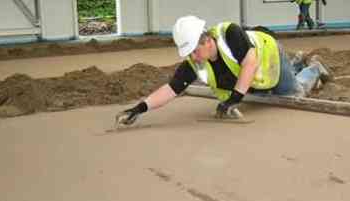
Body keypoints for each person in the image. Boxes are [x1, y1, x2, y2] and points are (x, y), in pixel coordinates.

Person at [116, 15, 332, 125]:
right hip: (255, 78)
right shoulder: (196, 61)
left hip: (269, 58)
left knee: (294, 93)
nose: (192, 57)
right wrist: (139, 109)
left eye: (194, 50)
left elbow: (250, 63)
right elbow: (172, 89)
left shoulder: (230, 33)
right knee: (266, 90)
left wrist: (234, 98)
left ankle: (313, 68)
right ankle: (296, 61)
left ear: (207, 40)